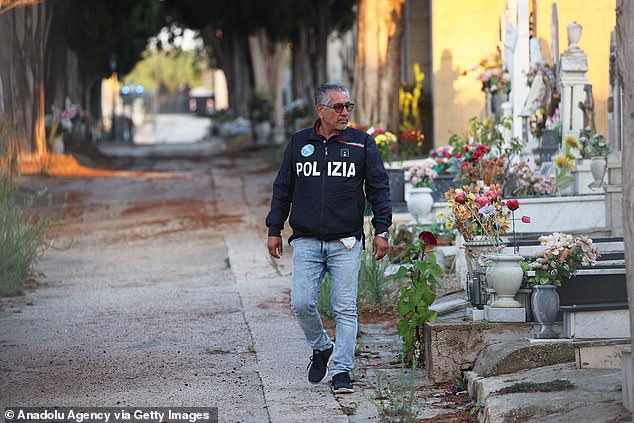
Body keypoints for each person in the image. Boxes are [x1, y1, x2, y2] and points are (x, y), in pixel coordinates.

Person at [265, 82, 392, 394]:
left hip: (346, 242)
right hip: (306, 239)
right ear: (320, 110)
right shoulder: (298, 144)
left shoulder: (362, 144)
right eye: (338, 107)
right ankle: (322, 346)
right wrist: (274, 228)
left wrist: (382, 230)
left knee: (345, 307)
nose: (345, 112)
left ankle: (341, 371)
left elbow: (379, 188)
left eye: (348, 106)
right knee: (301, 302)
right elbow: (283, 189)